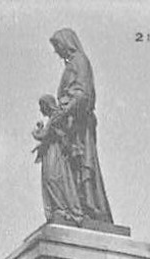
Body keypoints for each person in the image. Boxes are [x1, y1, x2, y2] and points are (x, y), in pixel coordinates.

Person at [49, 28, 114, 225]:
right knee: (72, 171)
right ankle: (78, 208)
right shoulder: (72, 64)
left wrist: (65, 110)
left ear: (66, 43)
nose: (56, 51)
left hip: (80, 125)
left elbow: (84, 94)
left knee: (83, 167)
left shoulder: (80, 61)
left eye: (57, 46)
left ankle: (90, 209)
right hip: (70, 127)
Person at [33, 94, 84, 226]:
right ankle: (58, 209)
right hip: (51, 152)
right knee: (49, 179)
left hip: (56, 153)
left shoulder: (56, 116)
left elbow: (43, 135)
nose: (40, 110)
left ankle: (63, 209)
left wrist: (36, 130)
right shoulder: (53, 118)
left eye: (41, 106)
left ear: (47, 105)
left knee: (53, 178)